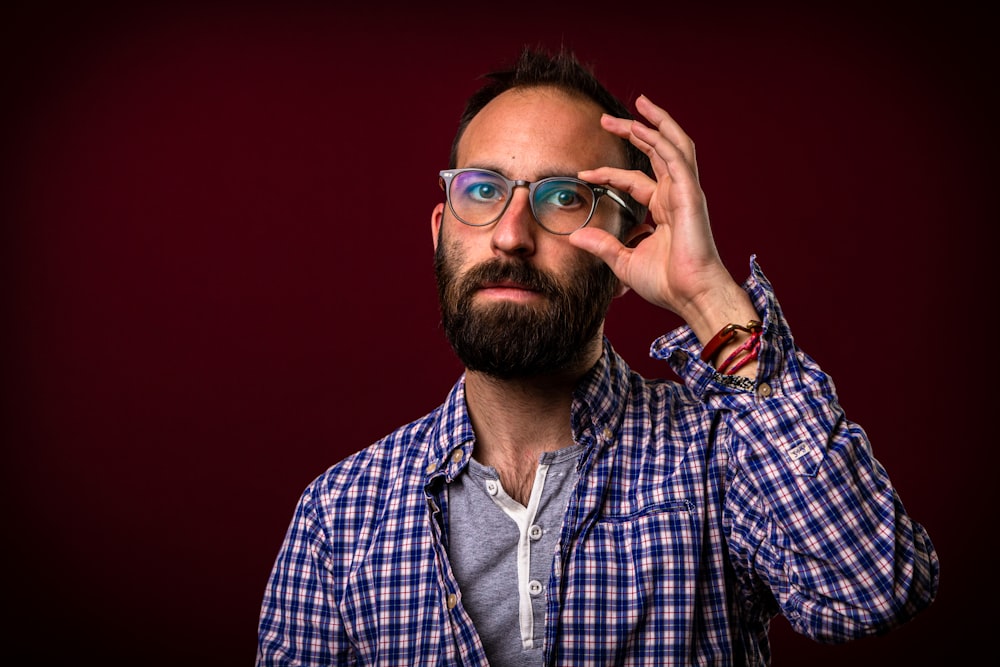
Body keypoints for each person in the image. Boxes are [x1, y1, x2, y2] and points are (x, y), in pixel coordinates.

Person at [255, 47, 938, 666]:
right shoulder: (339, 516)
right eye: (483, 191)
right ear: (441, 233)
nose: (511, 235)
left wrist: (708, 300)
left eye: (563, 198)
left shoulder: (721, 458)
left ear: (628, 250)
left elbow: (871, 590)